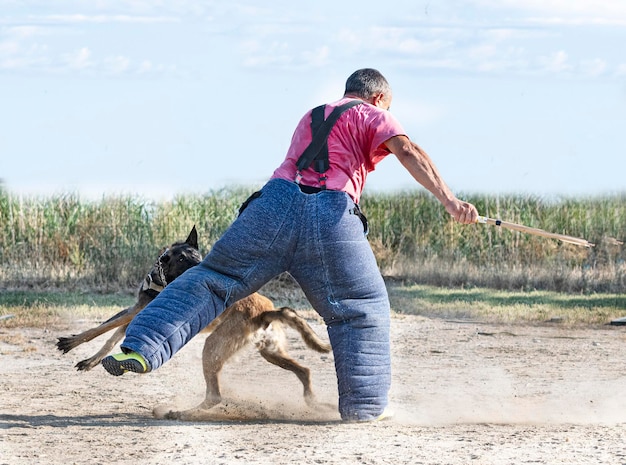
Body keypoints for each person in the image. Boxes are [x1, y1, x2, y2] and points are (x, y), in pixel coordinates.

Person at [102, 68, 479, 422]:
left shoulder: (313, 114)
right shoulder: (372, 113)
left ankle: (140, 347)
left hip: (271, 207)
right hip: (330, 216)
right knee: (360, 308)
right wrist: (450, 201)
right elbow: (408, 151)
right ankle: (365, 407)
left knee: (213, 278)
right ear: (378, 97)